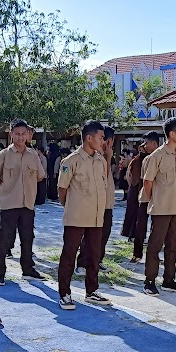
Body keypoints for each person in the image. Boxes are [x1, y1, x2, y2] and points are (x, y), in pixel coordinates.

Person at [57, 120, 111, 309]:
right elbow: (62, 190)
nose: (103, 141)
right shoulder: (70, 161)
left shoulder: (101, 160)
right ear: (89, 138)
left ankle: (92, 291)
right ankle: (64, 293)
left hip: (96, 217)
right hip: (76, 216)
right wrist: (72, 207)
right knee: (69, 255)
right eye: (101, 137)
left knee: (94, 255)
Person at [0, 119, 46, 286]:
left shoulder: (33, 155)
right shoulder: (3, 155)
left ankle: (28, 269)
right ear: (11, 134)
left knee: (27, 237)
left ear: (28, 135)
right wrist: (6, 185)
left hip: (27, 203)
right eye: (17, 134)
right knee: (4, 238)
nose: (21, 137)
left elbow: (39, 176)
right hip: (9, 204)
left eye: (24, 134)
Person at [142, 117, 176, 296]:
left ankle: (169, 279)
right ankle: (149, 280)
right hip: (161, 208)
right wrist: (155, 200)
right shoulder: (157, 156)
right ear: (172, 134)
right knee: (155, 245)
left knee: (173, 245)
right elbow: (148, 182)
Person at [76, 125, 116, 276]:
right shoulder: (95, 156)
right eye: (103, 139)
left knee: (104, 233)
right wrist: (107, 157)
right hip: (93, 202)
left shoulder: (104, 155)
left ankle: (97, 261)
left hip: (107, 202)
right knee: (89, 235)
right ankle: (82, 263)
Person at [130, 133, 161, 262]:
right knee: (141, 225)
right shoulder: (146, 159)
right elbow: (144, 180)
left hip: (158, 196)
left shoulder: (160, 157)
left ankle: (154, 254)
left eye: (146, 143)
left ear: (154, 143)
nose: (144, 146)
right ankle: (137, 253)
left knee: (157, 227)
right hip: (147, 196)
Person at [122, 142, 146, 240]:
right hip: (135, 189)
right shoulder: (136, 160)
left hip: (139, 188)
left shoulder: (144, 159)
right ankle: (131, 234)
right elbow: (130, 175)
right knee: (133, 213)